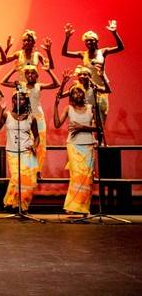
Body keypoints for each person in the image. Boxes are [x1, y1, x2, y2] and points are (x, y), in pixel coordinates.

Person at [1, 65, 60, 177]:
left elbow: (56, 84)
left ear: (36, 75)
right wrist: (13, 69)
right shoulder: (21, 86)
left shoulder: (38, 86)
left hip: (38, 117)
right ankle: (28, 168)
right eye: (27, 73)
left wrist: (49, 71)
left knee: (40, 144)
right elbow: (3, 82)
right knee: (27, 143)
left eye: (32, 73)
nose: (30, 75)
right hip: (26, 117)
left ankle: (37, 170)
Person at [61, 20, 123, 121]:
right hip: (87, 88)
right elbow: (64, 53)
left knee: (101, 116)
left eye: (91, 40)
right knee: (88, 116)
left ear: (96, 41)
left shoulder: (102, 52)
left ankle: (99, 136)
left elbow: (120, 48)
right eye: (87, 41)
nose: (89, 42)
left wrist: (114, 33)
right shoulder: (83, 54)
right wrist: (67, 37)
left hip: (101, 87)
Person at [54, 83, 98, 216]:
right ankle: (72, 206)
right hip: (74, 145)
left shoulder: (91, 108)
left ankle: (83, 207)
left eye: (79, 92)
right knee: (77, 176)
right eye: (74, 92)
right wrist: (55, 105)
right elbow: (57, 124)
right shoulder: (69, 109)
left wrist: (82, 127)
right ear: (71, 96)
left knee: (87, 177)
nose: (77, 94)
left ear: (83, 94)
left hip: (89, 144)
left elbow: (98, 128)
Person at [0, 93, 39, 212]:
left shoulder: (31, 118)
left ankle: (23, 207)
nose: (20, 101)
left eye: (23, 99)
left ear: (26, 101)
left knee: (28, 180)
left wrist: (34, 145)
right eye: (17, 99)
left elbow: (37, 136)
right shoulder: (6, 115)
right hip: (12, 152)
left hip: (27, 152)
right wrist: (1, 109)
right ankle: (11, 202)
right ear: (13, 100)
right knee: (16, 177)